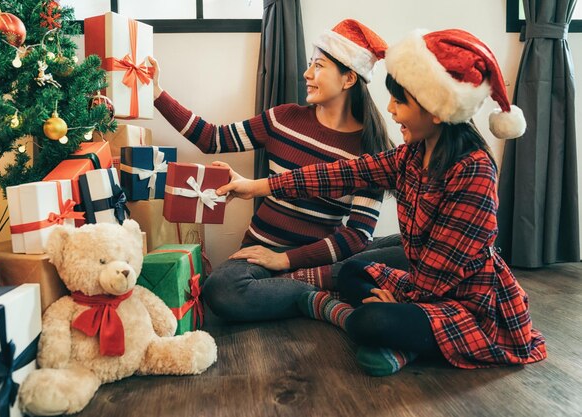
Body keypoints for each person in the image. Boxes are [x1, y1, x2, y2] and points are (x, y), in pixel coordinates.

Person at [216, 29, 547, 376]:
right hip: (422, 285)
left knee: (369, 322)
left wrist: (402, 302)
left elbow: (442, 269)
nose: (390, 109)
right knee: (354, 272)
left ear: (434, 109)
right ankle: (404, 339)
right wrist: (259, 186)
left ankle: (396, 339)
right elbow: (339, 174)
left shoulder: (474, 169)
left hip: (466, 303)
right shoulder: (410, 156)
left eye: (400, 102)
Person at [149, 19, 408, 322]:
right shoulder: (283, 118)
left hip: (321, 257)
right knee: (221, 289)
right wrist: (157, 93)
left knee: (410, 249)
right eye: (310, 64)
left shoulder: (371, 148)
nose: (307, 74)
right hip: (259, 256)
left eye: (319, 66)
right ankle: (324, 292)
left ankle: (308, 285)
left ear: (348, 79)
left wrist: (286, 260)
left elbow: (356, 236)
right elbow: (212, 138)